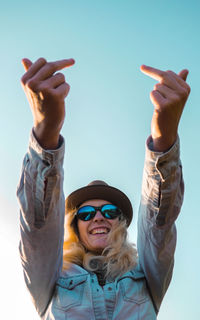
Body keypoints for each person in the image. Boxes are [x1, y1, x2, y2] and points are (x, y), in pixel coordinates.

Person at [17, 57, 190, 320]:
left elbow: (159, 224)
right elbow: (37, 225)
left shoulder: (147, 276)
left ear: (120, 222)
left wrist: (164, 139)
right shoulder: (50, 281)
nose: (98, 217)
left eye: (109, 211)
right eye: (85, 215)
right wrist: (46, 133)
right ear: (75, 227)